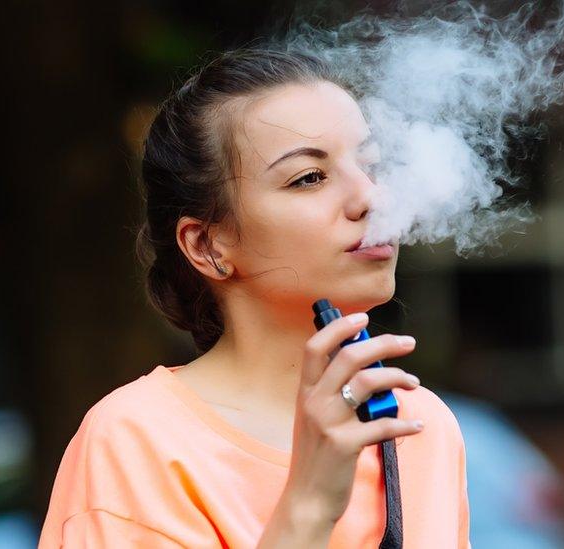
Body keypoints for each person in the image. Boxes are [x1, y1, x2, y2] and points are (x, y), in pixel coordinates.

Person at [38, 47, 471, 548]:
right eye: (309, 177)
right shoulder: (135, 442)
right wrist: (309, 506)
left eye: (370, 165)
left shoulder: (422, 426)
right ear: (208, 245)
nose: (371, 198)